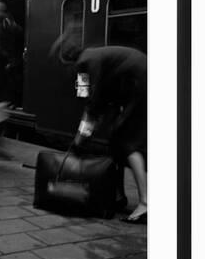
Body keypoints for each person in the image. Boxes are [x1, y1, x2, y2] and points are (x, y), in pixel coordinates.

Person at [51, 30, 148, 223]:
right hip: (136, 84)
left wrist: (80, 138)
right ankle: (118, 197)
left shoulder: (85, 63)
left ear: (67, 58)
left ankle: (146, 203)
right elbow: (92, 99)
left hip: (141, 84)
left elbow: (91, 104)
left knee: (127, 143)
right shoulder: (92, 58)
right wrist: (86, 131)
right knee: (115, 141)